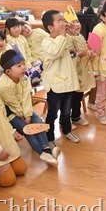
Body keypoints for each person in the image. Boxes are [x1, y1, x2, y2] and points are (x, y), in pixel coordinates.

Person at [0, 49, 59, 166]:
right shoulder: (3, 86)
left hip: (24, 110)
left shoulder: (24, 77)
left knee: (38, 122)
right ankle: (45, 153)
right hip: (10, 113)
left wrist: (28, 115)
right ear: (8, 71)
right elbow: (13, 104)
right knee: (28, 130)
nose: (23, 67)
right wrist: (24, 116)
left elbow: (26, 97)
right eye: (18, 65)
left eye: (24, 64)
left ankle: (46, 151)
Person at [41, 10, 80, 147]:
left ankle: (67, 130)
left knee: (66, 111)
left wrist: (75, 33)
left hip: (67, 83)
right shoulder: (46, 42)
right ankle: (49, 136)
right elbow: (56, 52)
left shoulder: (66, 38)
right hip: (55, 86)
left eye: (64, 20)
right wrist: (64, 35)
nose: (64, 23)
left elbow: (80, 48)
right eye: (60, 21)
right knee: (52, 114)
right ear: (50, 27)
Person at [65, 18, 94, 128]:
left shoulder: (80, 36)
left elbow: (84, 52)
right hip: (71, 72)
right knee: (69, 98)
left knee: (78, 95)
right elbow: (70, 56)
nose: (76, 25)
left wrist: (89, 55)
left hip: (81, 71)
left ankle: (76, 117)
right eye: (72, 23)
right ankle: (65, 120)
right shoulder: (66, 39)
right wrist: (79, 56)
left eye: (77, 22)